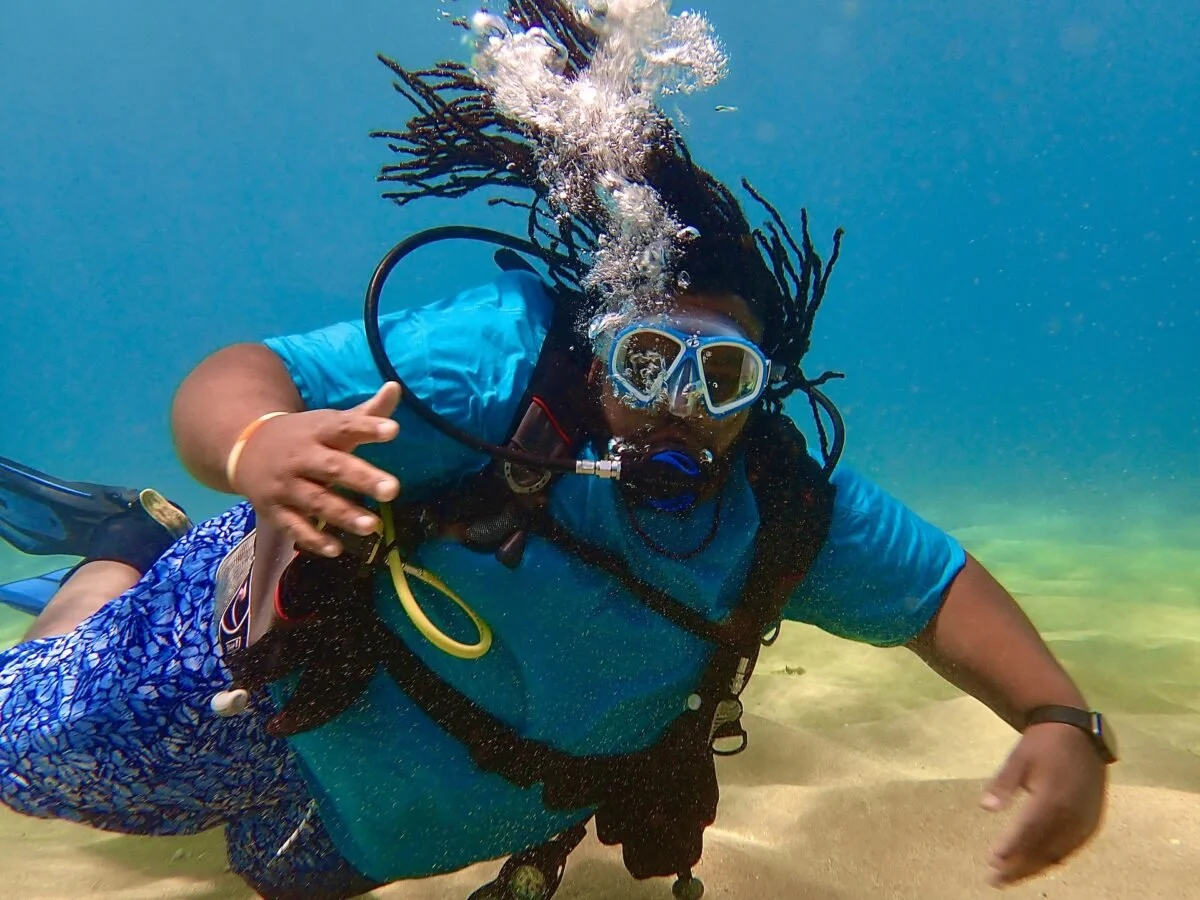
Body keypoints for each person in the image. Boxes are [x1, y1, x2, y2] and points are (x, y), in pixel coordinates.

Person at [0, 3, 1114, 898]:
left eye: (723, 379)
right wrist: (257, 442)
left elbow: (933, 592)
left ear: (762, 394)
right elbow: (243, 373)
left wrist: (1059, 717)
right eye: (648, 361)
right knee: (22, 746)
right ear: (599, 348)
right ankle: (122, 553)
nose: (680, 407)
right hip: (237, 657)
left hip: (382, 822)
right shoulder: (499, 367)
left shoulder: (782, 506)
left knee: (264, 871)